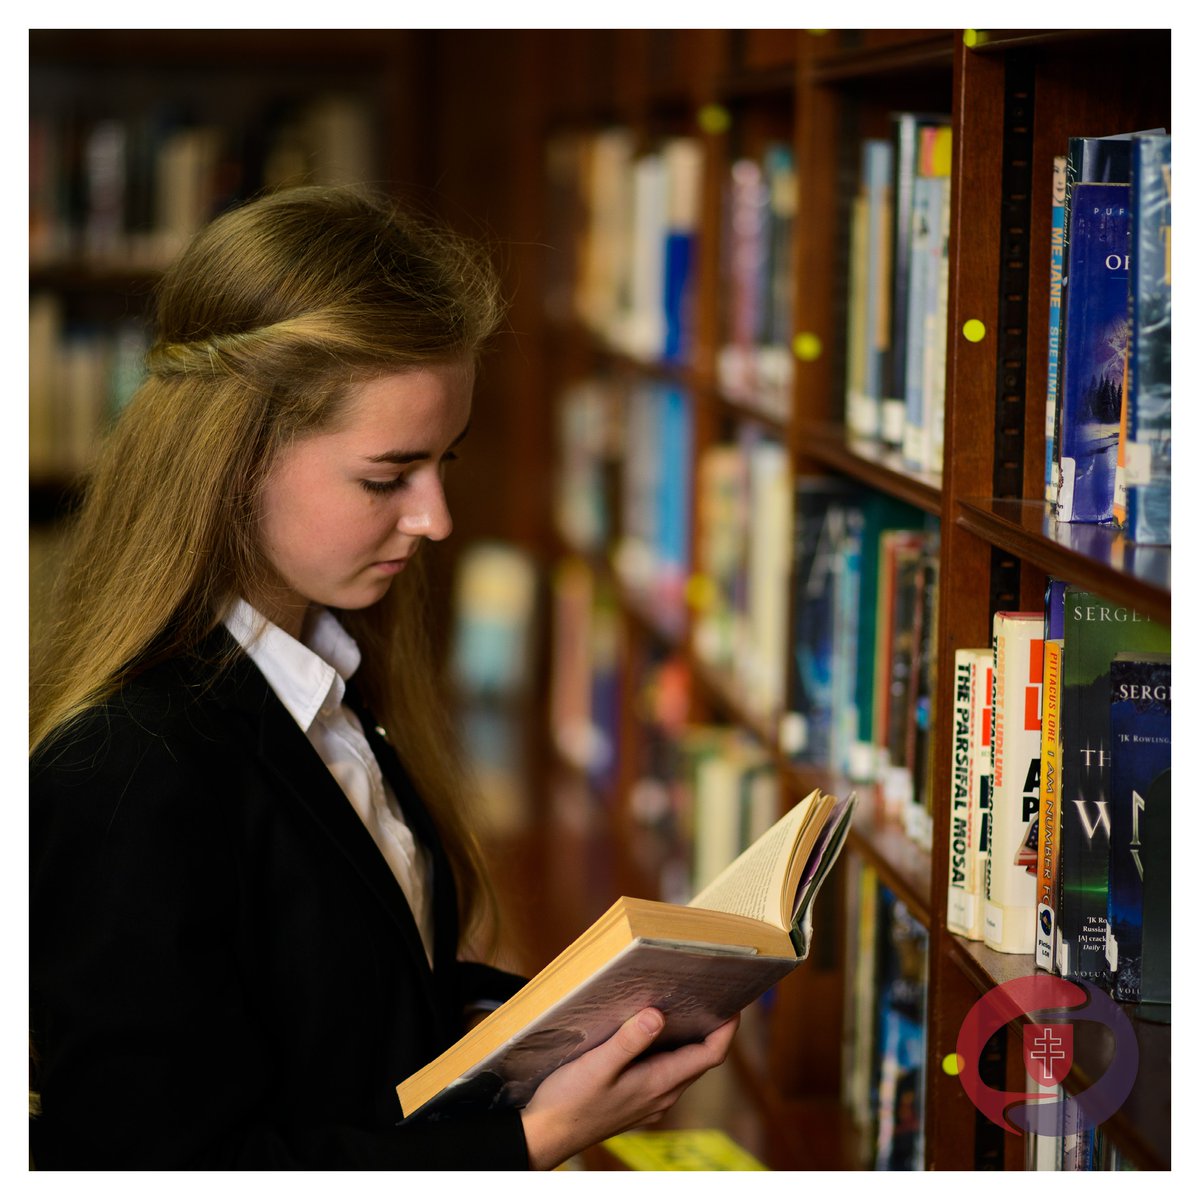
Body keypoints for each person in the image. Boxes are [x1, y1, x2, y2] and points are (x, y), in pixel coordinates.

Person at [29, 184, 737, 1170]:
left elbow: (330, 1000)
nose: (436, 518)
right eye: (387, 475)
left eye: (445, 460)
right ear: (232, 462)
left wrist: (547, 1018)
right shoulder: (127, 774)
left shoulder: (325, 679)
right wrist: (533, 1140)